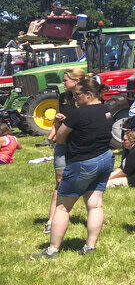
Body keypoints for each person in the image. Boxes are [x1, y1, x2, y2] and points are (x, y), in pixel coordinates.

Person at [32, 76, 114, 259]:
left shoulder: (78, 114)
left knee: (62, 207)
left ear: (88, 94)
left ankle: (52, 249)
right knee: (95, 205)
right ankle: (90, 246)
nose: (74, 98)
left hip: (82, 163)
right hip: (105, 159)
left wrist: (59, 123)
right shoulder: (107, 110)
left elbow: (59, 138)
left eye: (77, 95)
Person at [43, 68, 86, 235]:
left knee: (84, 181)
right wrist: (57, 124)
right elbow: (58, 121)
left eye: (65, 80)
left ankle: (91, 214)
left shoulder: (86, 97)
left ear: (76, 81)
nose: (63, 83)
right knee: (60, 180)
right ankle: (52, 219)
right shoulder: (63, 97)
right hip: (63, 143)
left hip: (80, 144)